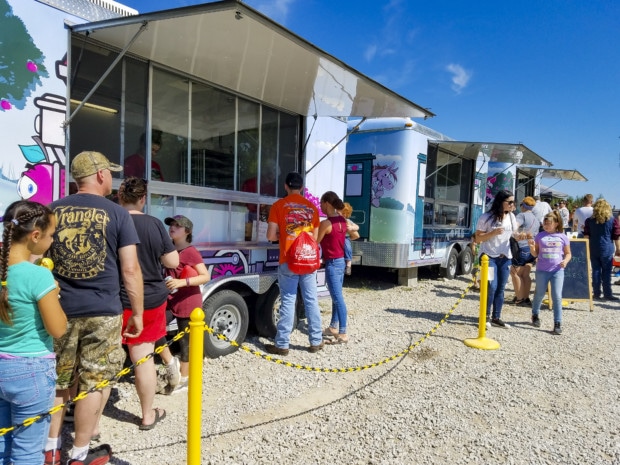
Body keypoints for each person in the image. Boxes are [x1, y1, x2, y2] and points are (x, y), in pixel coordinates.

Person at [45, 151, 144, 465]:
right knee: (94, 381)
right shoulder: (118, 214)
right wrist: (138, 313)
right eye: (110, 173)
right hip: (103, 311)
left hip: (58, 310)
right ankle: (79, 455)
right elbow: (130, 270)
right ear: (101, 175)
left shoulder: (51, 210)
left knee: (58, 380)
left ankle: (49, 450)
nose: (112, 179)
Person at [0, 201, 67, 465]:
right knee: (27, 453)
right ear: (35, 235)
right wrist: (55, 295)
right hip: (32, 372)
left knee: (3, 445)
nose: (52, 241)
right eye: (51, 235)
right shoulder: (38, 277)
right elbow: (58, 328)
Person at [118, 178, 180, 429]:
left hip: (115, 297)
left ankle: (91, 422)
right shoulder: (154, 224)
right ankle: (147, 415)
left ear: (120, 197)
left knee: (98, 360)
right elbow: (173, 262)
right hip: (150, 298)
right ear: (143, 198)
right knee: (142, 358)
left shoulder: (113, 220)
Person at [264, 172, 324, 355]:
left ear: (285, 186)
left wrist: (285, 235)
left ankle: (282, 344)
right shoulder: (312, 208)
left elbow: (270, 236)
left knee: (288, 300)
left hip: (288, 259)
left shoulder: (278, 206)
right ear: (302, 187)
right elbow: (314, 237)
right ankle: (316, 341)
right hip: (308, 259)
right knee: (311, 299)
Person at [162, 215, 210, 393]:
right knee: (157, 328)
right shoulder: (169, 247)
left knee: (185, 341)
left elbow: (205, 276)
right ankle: (170, 362)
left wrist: (182, 283)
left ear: (187, 231)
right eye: (171, 225)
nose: (172, 228)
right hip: (170, 299)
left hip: (188, 301)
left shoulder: (191, 251)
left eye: (177, 226)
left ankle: (184, 379)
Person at [475, 189, 518, 328]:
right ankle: (485, 316)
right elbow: (478, 238)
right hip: (488, 257)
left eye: (513, 202)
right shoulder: (486, 217)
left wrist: (523, 236)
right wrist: (493, 233)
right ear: (501, 202)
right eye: (510, 202)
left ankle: (496, 317)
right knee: (491, 287)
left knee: (501, 288)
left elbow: (514, 234)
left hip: (505, 257)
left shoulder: (512, 217)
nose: (513, 205)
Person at [529, 211, 571, 335]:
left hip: (557, 270)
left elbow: (568, 253)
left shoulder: (562, 237)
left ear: (556, 224)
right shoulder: (540, 236)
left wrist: (566, 261)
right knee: (539, 294)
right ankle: (535, 314)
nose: (546, 225)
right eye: (545, 223)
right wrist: (532, 248)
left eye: (549, 223)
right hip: (542, 270)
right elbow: (535, 253)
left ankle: (557, 323)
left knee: (557, 296)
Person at [318, 191, 349, 345]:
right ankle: (333, 327)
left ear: (327, 203)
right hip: (341, 262)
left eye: (321, 203)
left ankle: (343, 332)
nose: (320, 206)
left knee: (338, 298)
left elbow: (316, 240)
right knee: (337, 297)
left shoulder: (326, 224)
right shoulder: (342, 221)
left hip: (332, 264)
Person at [583, 199, 620, 302]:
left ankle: (596, 293)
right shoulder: (612, 220)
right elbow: (616, 236)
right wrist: (618, 248)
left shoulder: (589, 221)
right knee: (607, 271)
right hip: (607, 247)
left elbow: (586, 236)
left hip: (593, 247)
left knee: (595, 270)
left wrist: (584, 248)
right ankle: (608, 294)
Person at [510, 196, 539, 306]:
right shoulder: (536, 219)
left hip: (521, 247)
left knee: (515, 273)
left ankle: (519, 298)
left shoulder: (521, 215)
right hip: (532, 248)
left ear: (523, 205)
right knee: (526, 274)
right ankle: (526, 298)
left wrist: (516, 234)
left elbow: (514, 228)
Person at [340, 202, 359, 276]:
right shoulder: (336, 220)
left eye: (345, 213)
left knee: (348, 247)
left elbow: (357, 227)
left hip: (346, 237)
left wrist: (351, 228)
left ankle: (348, 264)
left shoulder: (348, 221)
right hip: (339, 238)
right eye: (342, 213)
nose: (343, 215)